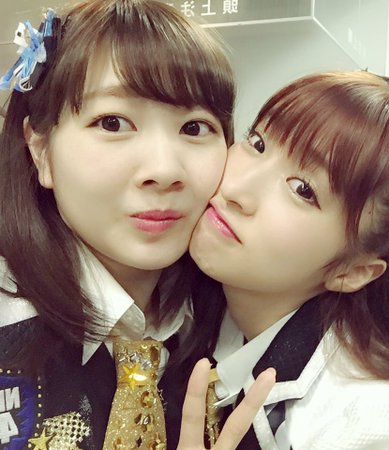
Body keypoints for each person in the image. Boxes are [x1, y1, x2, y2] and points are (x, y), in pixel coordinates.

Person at [0, 1, 273, 449]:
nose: (164, 171)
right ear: (41, 151)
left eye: (195, 128)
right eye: (113, 123)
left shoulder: (239, 319)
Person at [190, 71, 389, 449]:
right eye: (257, 143)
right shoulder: (187, 308)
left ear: (352, 271)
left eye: (303, 190)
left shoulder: (383, 423)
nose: (237, 188)